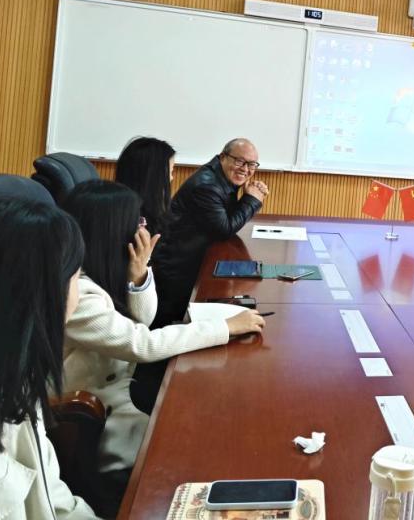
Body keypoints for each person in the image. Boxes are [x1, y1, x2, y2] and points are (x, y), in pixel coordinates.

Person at [61, 181, 264, 497]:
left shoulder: (102, 272)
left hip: (124, 390)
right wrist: (224, 327)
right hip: (101, 417)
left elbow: (144, 317)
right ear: (112, 231)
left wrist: (139, 275)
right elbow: (142, 343)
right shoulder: (78, 294)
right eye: (137, 222)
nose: (143, 228)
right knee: (201, 446)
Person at [0, 197, 98, 519]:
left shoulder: (13, 384)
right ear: (41, 297)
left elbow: (55, 502)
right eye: (77, 277)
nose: (79, 294)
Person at [151, 138, 269, 326]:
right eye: (240, 161)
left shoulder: (220, 176)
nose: (245, 169)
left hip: (189, 257)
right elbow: (224, 229)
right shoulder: (206, 186)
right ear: (223, 157)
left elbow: (224, 219)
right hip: (177, 267)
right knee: (166, 325)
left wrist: (247, 195)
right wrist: (251, 200)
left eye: (252, 164)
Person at [115, 136, 176, 238]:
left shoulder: (154, 215)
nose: (171, 178)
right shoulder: (136, 225)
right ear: (152, 177)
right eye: (170, 172)